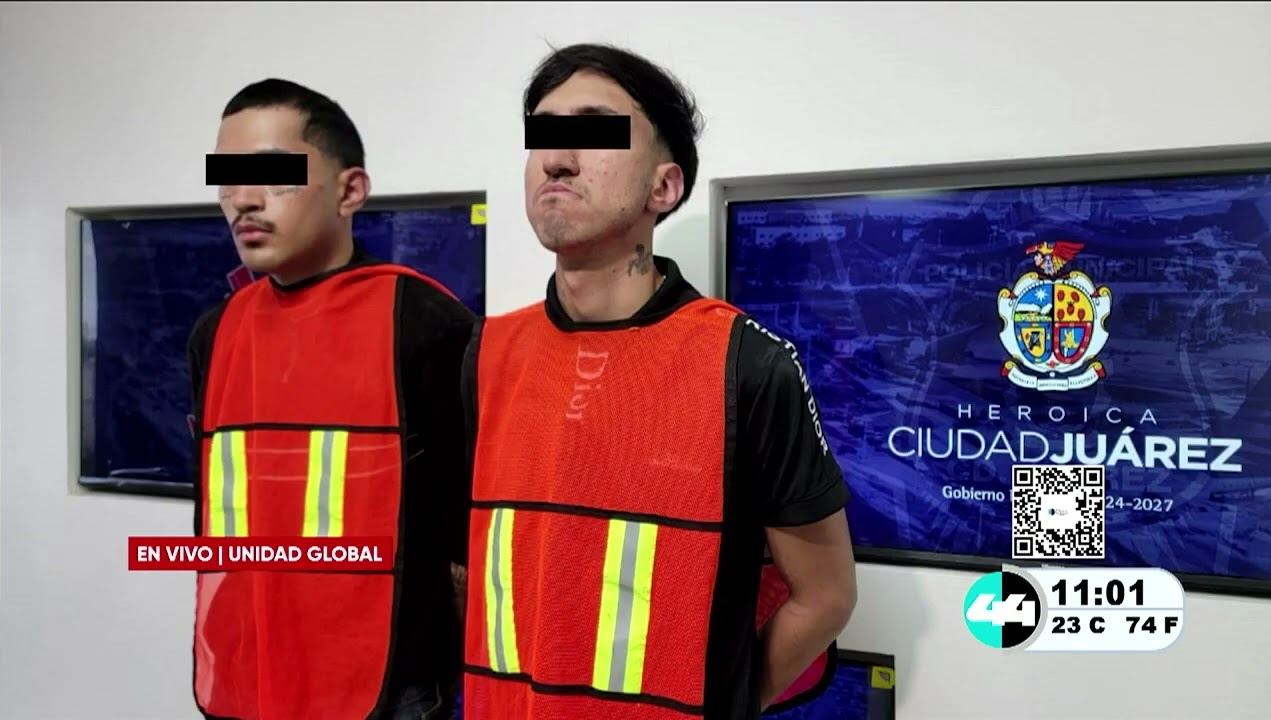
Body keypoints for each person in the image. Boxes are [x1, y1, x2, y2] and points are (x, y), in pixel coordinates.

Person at [459, 44, 858, 720]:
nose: (556, 158)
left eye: (595, 132)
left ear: (663, 188)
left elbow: (826, 597)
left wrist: (725, 704)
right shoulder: (486, 353)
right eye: (543, 134)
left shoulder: (746, 364)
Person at [188, 78, 475, 720]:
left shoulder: (424, 323)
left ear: (350, 191)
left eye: (273, 175)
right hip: (242, 672)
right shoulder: (215, 333)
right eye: (226, 179)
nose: (243, 200)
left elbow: (465, 520)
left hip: (385, 687)